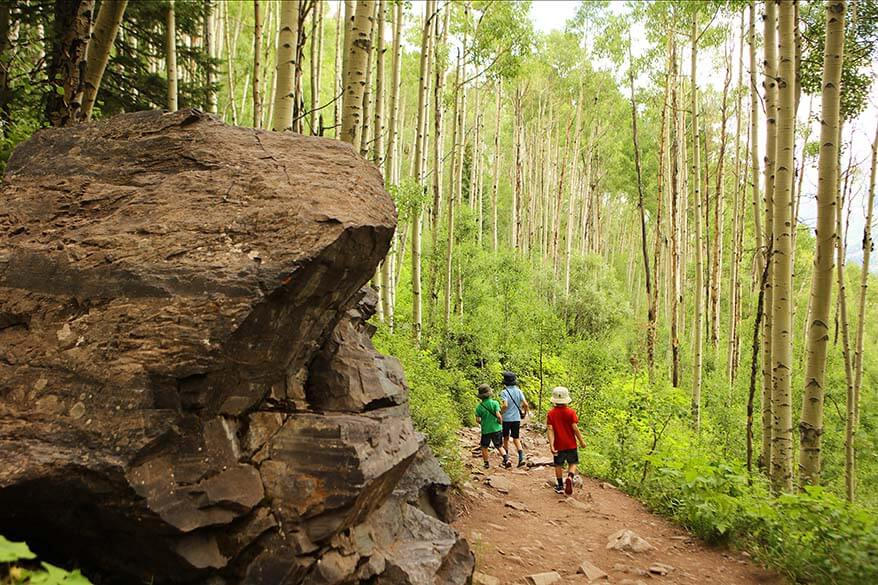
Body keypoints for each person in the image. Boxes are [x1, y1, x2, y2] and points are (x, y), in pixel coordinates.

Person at [546, 386, 586, 495]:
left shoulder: (551, 413)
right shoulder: (571, 412)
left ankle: (559, 486)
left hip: (558, 445)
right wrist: (582, 441)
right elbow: (575, 428)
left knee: (558, 465)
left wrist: (551, 445)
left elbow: (550, 429)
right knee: (573, 463)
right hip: (571, 444)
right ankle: (570, 476)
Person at [475, 384, 511, 469]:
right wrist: (500, 422)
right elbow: (499, 416)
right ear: (490, 393)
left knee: (484, 447)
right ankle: (506, 459)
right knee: (499, 446)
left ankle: (486, 463)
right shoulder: (495, 403)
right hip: (496, 429)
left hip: (486, 430)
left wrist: (483, 423)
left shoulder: (479, 407)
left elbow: (477, 420)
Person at [499, 371, 529, 467]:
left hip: (506, 419)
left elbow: (505, 405)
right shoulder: (519, 391)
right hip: (516, 419)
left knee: (506, 438)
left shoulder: (504, 392)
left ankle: (506, 459)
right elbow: (526, 404)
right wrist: (524, 413)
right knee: (516, 438)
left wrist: (500, 413)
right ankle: (521, 458)